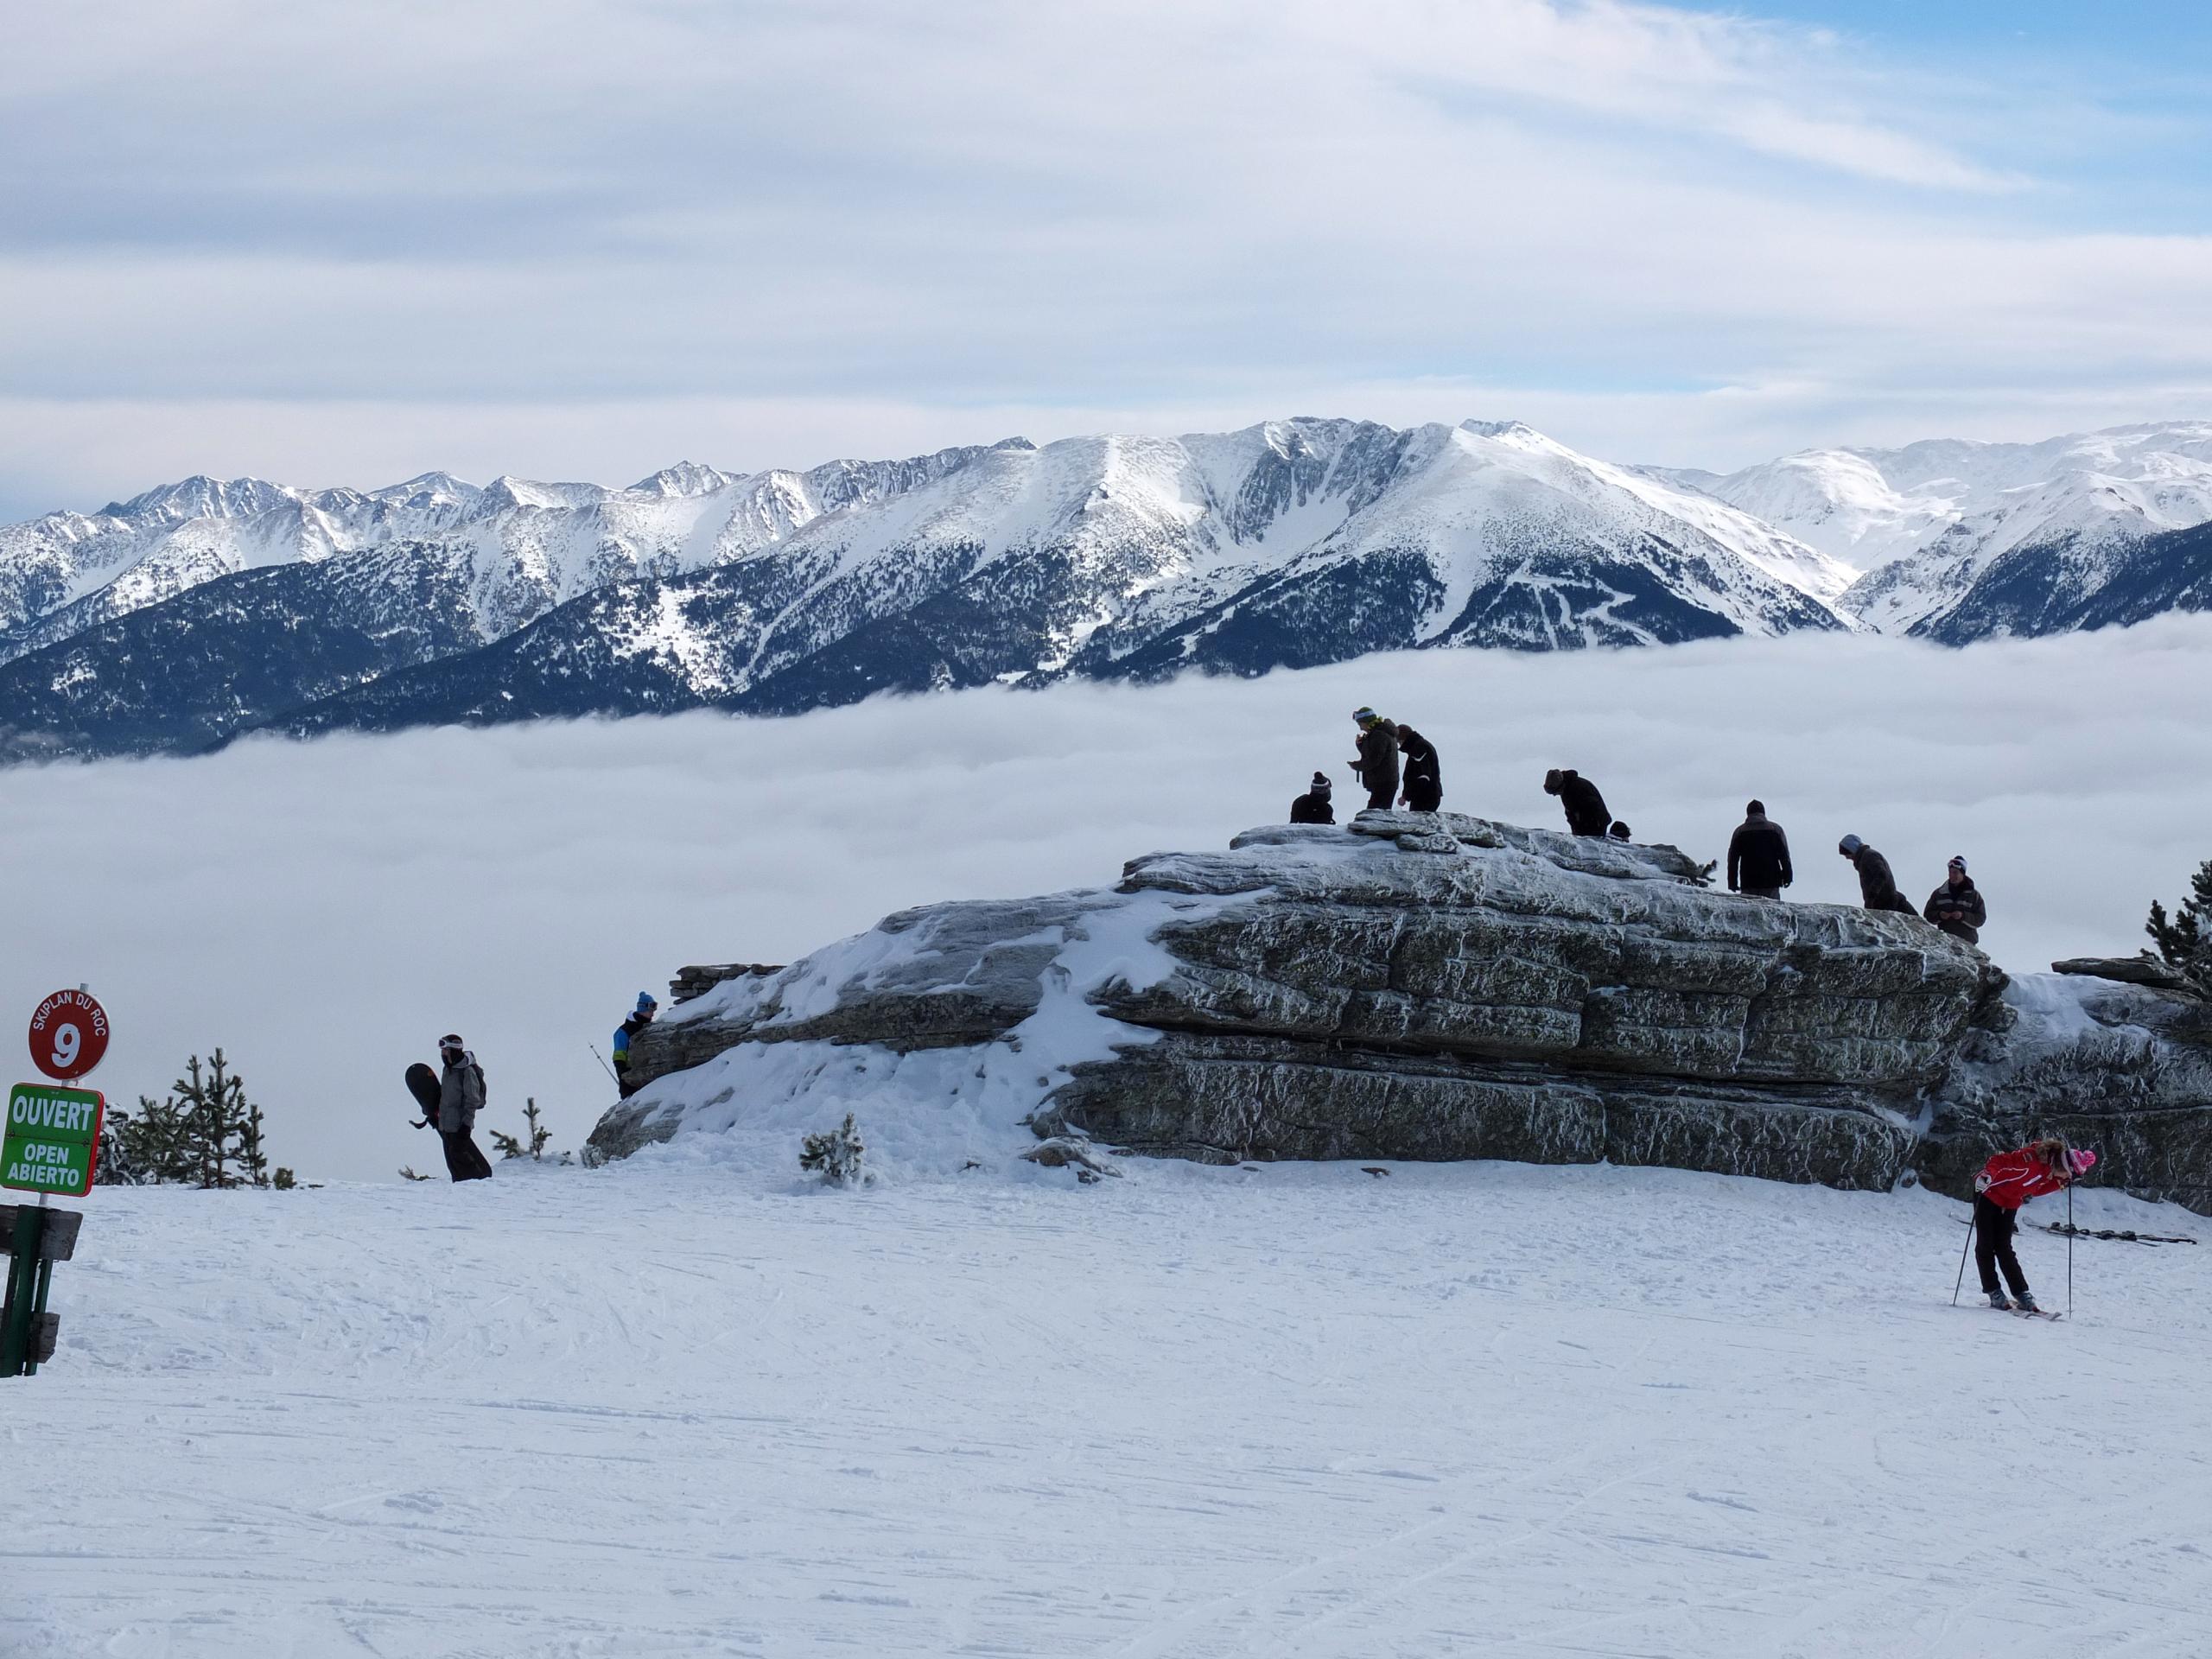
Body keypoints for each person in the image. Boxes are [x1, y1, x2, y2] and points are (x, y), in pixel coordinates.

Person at [1974, 1137, 2095, 1311]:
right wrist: (1988, 1174)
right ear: (2063, 1166)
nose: (2069, 1179)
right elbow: (1999, 1160)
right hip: (1988, 1192)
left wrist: (2059, 1183)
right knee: (1986, 1244)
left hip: (2011, 1201)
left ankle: (2021, 1292)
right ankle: (1993, 1290)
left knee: (2004, 1247)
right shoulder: (2031, 1160)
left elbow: (2035, 1191)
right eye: (2070, 1175)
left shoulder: (2050, 1174)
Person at [435, 1033, 493, 1183]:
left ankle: (477, 1184)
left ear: (453, 1050)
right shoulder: (448, 1069)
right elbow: (446, 1096)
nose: (442, 1053)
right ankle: (459, 1187)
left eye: (445, 1050)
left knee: (461, 1158)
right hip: (446, 1124)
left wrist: (466, 1125)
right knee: (452, 1161)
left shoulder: (467, 1071)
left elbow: (473, 1099)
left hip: (459, 1124)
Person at [1727, 800, 1793, 900]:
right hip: (1771, 881)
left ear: (1748, 813)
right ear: (1763, 812)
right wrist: (1788, 876)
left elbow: (1733, 859)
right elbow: (1784, 855)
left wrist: (1732, 882)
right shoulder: (1775, 829)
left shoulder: (1739, 831)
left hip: (1748, 881)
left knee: (1750, 909)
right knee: (1772, 908)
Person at [1837, 834, 1917, 916]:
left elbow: (1881, 874)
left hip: (1885, 902)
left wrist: (1871, 896)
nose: (1847, 857)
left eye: (1847, 853)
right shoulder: (1863, 858)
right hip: (1880, 902)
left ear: (1852, 849)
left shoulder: (1869, 856)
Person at [1924, 855, 1987, 944]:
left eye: (1955, 872)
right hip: (1945, 942)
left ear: (1963, 874)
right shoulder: (1938, 893)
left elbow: (1981, 918)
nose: (1952, 875)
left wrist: (1963, 916)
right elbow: (1928, 914)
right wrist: (1940, 915)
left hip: (1968, 943)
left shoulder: (1974, 895)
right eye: (1950, 872)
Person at [1349, 708, 1400, 811]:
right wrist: (1361, 744)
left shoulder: (1379, 735)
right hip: (1386, 781)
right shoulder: (1380, 733)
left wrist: (1356, 766)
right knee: (1378, 813)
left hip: (1383, 782)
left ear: (1366, 722)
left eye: (1360, 724)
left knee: (1375, 815)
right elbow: (1373, 754)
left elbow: (1373, 760)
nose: (1360, 728)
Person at [612, 992, 658, 1098]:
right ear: (642, 1009)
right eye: (650, 1011)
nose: (653, 1014)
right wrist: (625, 1080)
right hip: (631, 1079)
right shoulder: (623, 1031)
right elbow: (619, 1057)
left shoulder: (650, 1027)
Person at [1543, 768, 1611, 836]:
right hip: (1584, 827)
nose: (1554, 795)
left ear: (1560, 786)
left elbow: (1592, 808)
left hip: (1596, 825)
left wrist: (1581, 828)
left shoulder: (1578, 787)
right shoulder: (1566, 790)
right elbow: (1571, 812)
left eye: (1555, 791)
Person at [1395, 725, 1442, 812]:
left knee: (1418, 819)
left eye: (1399, 741)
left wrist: (1406, 796)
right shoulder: (1421, 746)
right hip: (1428, 795)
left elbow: (1423, 777)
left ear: (1403, 739)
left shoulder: (1419, 748)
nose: (1399, 744)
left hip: (1425, 796)